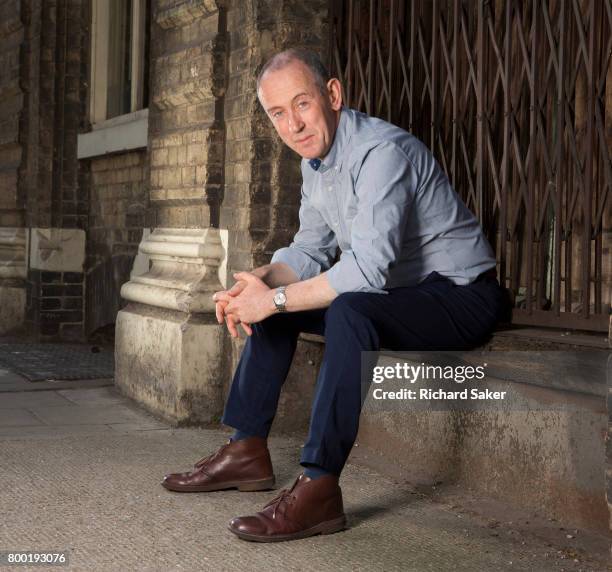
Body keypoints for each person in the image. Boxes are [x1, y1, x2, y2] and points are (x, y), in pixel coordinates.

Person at [161, 48, 503, 542]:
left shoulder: (382, 153)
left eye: (301, 104)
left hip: (461, 296)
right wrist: (258, 283)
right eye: (278, 113)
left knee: (347, 309)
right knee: (289, 306)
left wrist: (274, 301)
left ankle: (319, 486)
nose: (293, 124)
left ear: (333, 95)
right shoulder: (316, 162)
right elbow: (309, 249)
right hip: (400, 295)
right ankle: (246, 450)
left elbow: (366, 271)